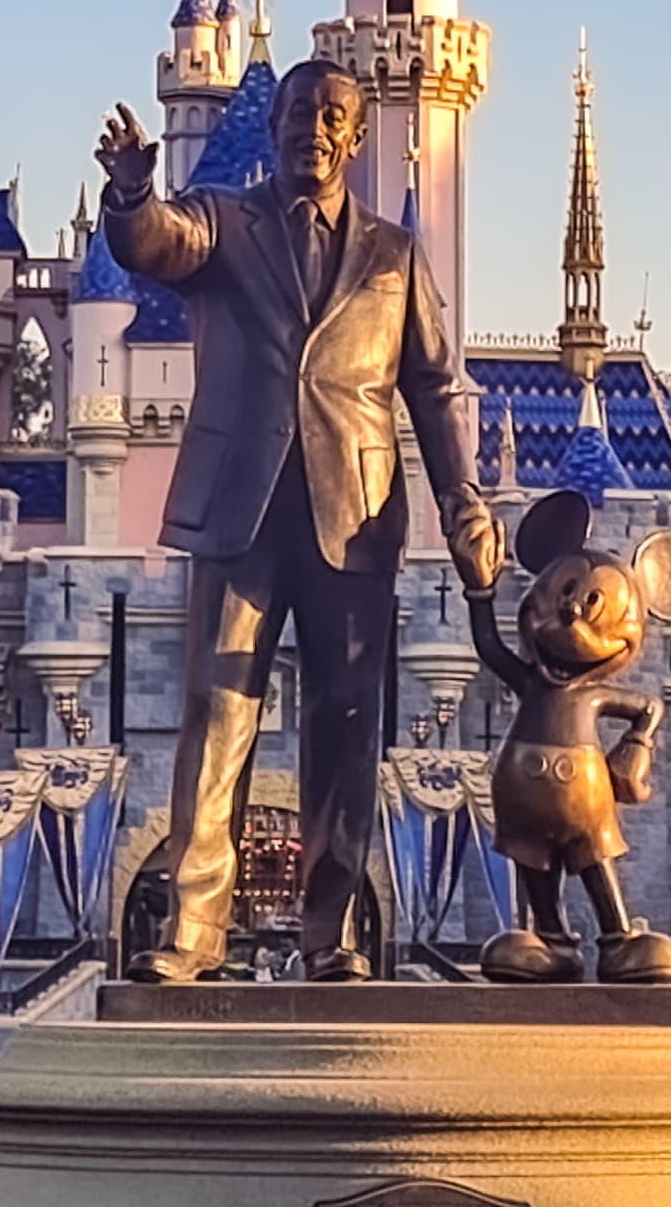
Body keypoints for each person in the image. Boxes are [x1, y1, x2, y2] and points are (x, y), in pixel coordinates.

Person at [98, 63, 500, 980]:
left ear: (355, 138)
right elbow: (156, 242)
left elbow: (433, 390)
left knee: (346, 719)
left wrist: (464, 499)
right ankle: (192, 934)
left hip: (351, 515)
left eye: (331, 116)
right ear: (272, 125)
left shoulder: (395, 255)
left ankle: (333, 936)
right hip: (240, 509)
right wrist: (131, 193)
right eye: (298, 113)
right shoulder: (224, 222)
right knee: (216, 713)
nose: (311, 129)